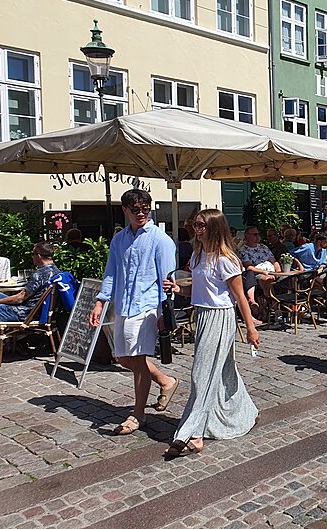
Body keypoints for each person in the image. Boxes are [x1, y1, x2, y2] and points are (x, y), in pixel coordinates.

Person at [162, 209, 260, 458]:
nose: (197, 229)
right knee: (224, 370)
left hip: (221, 317)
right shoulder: (197, 255)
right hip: (203, 315)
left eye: (202, 225)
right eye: (195, 225)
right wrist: (177, 289)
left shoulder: (226, 259)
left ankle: (191, 434)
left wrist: (250, 328)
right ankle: (246, 411)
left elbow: (239, 297)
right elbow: (199, 289)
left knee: (201, 373)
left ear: (214, 228)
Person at [90, 189, 179, 436]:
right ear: (125, 210)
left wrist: (163, 310)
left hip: (146, 306)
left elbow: (167, 280)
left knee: (137, 361)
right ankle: (165, 381)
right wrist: (100, 301)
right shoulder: (119, 240)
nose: (141, 213)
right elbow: (111, 273)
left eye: (145, 209)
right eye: (136, 209)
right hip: (123, 306)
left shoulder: (161, 240)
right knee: (122, 357)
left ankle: (138, 414)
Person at [0, 242, 60, 354]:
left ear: (38, 256)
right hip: (31, 309)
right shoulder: (56, 271)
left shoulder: (39, 274)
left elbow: (19, 299)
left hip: (22, 312)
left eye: (33, 254)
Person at [238, 227, 279, 309]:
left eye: (258, 234)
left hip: (272, 271)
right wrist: (263, 272)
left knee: (291, 280)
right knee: (268, 280)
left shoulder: (264, 247)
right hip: (258, 273)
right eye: (255, 234)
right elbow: (249, 266)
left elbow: (274, 261)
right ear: (247, 236)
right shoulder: (243, 250)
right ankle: (275, 307)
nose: (257, 236)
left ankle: (293, 307)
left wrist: (278, 270)